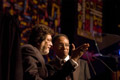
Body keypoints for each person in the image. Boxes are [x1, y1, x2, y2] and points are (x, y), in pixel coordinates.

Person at [21, 24, 90, 80]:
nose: (51, 44)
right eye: (48, 40)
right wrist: (73, 60)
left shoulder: (36, 55)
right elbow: (31, 77)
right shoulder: (29, 50)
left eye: (66, 45)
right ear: (39, 40)